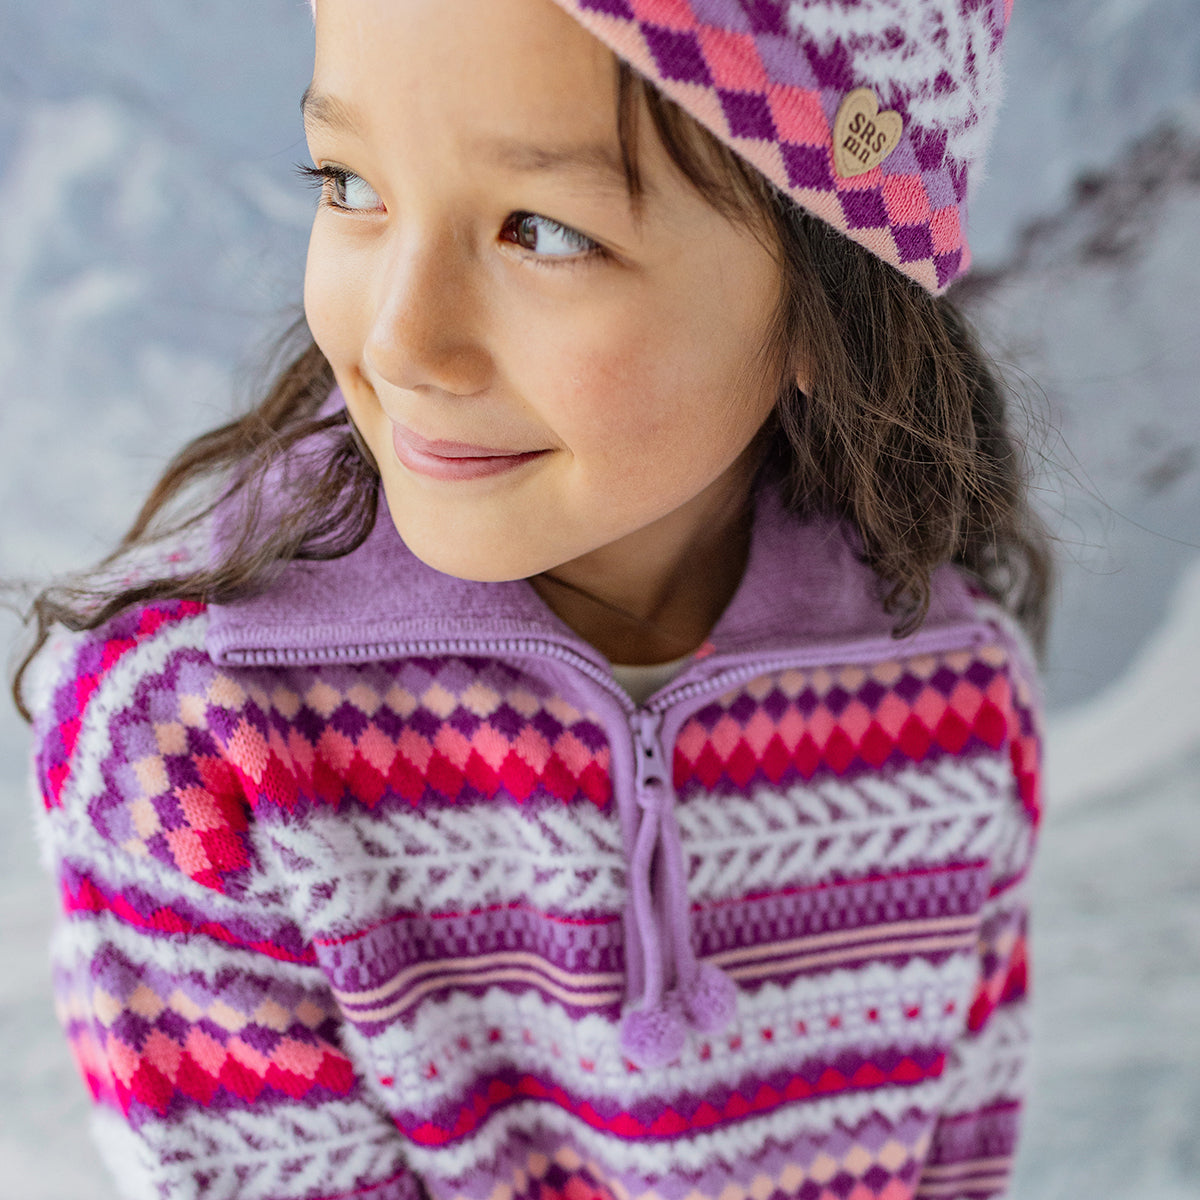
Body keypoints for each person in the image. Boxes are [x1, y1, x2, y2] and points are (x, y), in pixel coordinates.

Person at [14, 0, 1054, 1197]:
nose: (405, 342)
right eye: (348, 183)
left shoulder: (953, 707)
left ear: (835, 289)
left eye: (543, 232)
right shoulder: (198, 742)